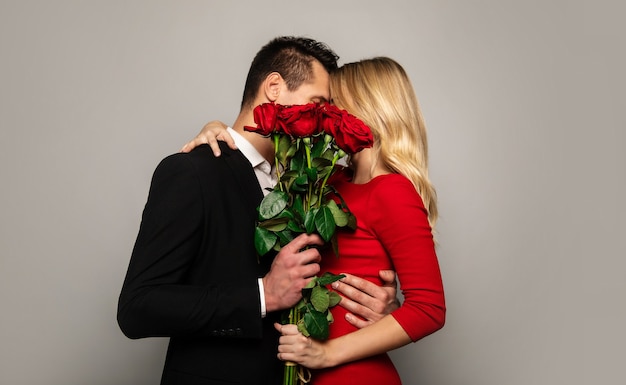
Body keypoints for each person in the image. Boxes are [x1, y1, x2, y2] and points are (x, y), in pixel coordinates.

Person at [117, 37, 397, 385]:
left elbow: (316, 278)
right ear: (274, 88)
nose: (323, 121)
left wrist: (380, 307)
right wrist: (263, 294)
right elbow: (138, 307)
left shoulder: (304, 183)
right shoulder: (192, 172)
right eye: (316, 103)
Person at [191, 57, 446, 384]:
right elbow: (268, 174)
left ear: (365, 107)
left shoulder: (393, 190)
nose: (323, 115)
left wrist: (326, 354)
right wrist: (217, 129)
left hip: (354, 375)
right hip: (302, 372)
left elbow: (429, 308)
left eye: (332, 105)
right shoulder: (330, 181)